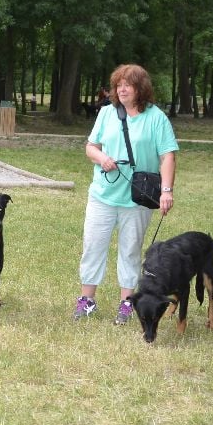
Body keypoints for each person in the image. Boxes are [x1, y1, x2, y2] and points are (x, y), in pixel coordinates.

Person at [74, 64, 178, 325]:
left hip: (138, 197)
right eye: (118, 84)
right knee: (93, 245)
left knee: (130, 250)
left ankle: (127, 303)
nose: (121, 89)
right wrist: (101, 157)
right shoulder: (107, 113)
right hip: (103, 194)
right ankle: (87, 300)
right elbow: (90, 146)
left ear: (140, 89)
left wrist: (166, 190)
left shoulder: (156, 118)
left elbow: (167, 156)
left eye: (127, 85)